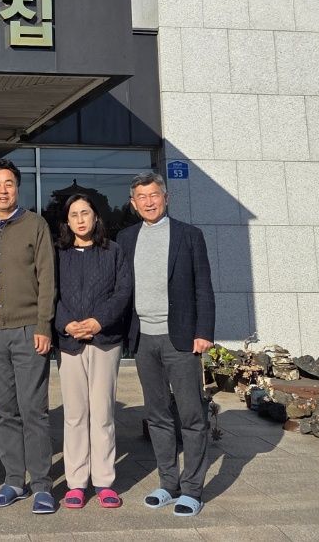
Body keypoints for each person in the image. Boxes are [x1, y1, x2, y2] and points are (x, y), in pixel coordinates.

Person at [116, 171, 215, 517]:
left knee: (191, 415)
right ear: (133, 203)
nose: (149, 202)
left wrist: (204, 332)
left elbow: (203, 287)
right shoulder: (126, 238)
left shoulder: (189, 236)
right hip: (144, 338)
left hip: (181, 338)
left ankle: (192, 489)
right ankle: (168, 483)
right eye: (141, 197)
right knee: (157, 415)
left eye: (154, 195)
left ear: (166, 197)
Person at [0, 158, 57, 514]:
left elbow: (47, 278)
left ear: (17, 188)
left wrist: (44, 325)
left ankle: (41, 485)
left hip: (28, 330)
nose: (3, 190)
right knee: (5, 411)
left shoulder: (36, 224)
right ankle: (13, 481)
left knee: (33, 409)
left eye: (9, 183)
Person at [54, 191, 133, 511]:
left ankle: (103, 481)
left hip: (105, 341)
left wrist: (99, 322)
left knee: (102, 413)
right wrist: (66, 324)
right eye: (74, 215)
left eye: (85, 213)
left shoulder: (113, 251)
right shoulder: (59, 254)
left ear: (96, 216)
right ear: (67, 221)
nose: (80, 220)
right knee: (74, 415)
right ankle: (75, 483)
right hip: (70, 342)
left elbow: (123, 291)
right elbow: (50, 294)